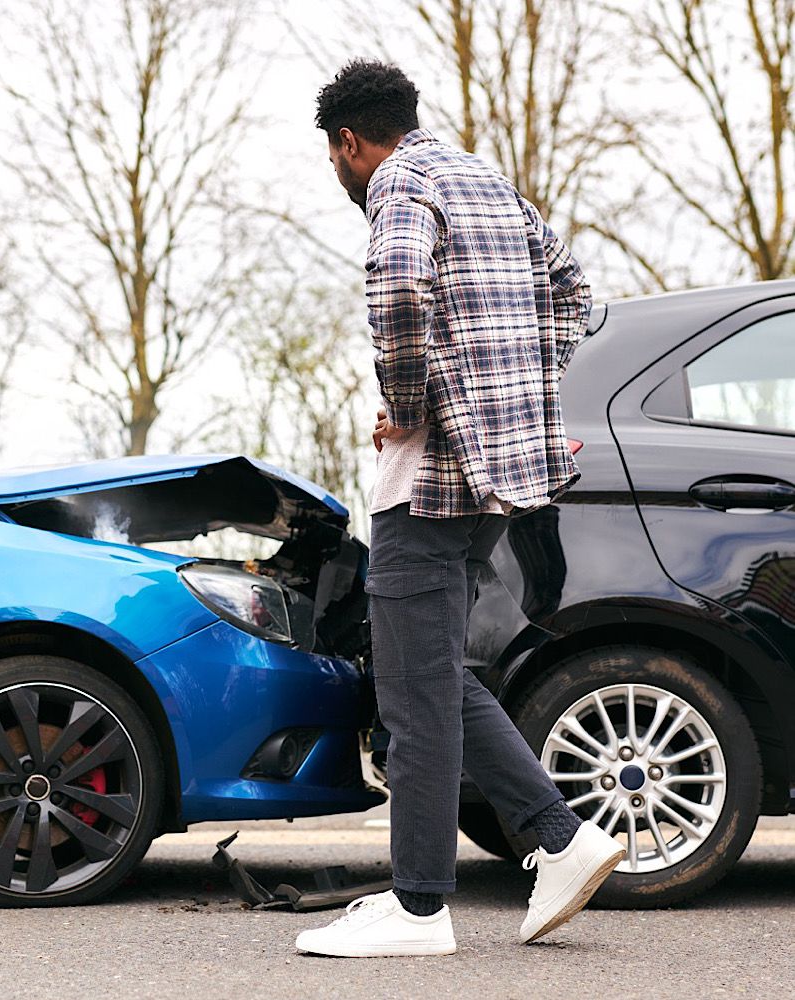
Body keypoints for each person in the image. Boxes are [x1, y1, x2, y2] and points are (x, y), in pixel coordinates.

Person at [295, 60, 624, 959]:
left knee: (410, 693)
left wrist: (407, 403)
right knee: (437, 673)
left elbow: (398, 289)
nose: (341, 176)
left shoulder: (399, 180)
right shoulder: (482, 177)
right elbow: (574, 292)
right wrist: (520, 400)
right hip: (497, 478)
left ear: (349, 144)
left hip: (432, 480)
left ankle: (418, 907)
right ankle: (562, 839)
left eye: (335, 160)